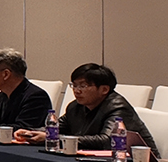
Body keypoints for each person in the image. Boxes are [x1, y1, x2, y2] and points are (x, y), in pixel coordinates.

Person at [17, 63, 157, 155]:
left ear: (104, 89)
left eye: (83, 86)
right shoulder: (75, 106)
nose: (76, 91)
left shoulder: (118, 108)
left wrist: (53, 138)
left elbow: (107, 141)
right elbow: (57, 127)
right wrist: (31, 132)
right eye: (74, 85)